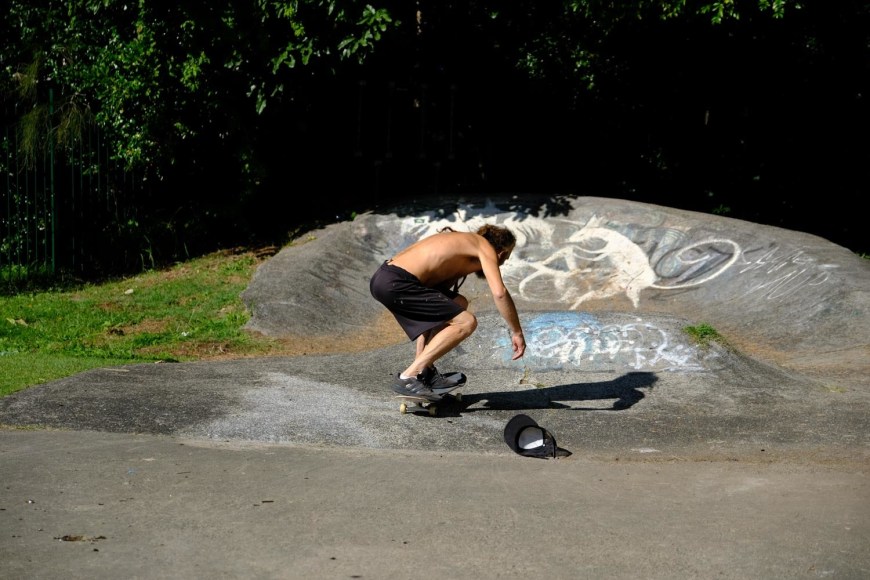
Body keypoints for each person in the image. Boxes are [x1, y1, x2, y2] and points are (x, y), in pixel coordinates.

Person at [369, 223, 526, 400]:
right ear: (501, 253)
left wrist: (423, 365)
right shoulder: (483, 245)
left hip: (384, 278)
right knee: (466, 322)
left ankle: (423, 373)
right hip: (395, 281)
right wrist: (517, 332)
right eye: (506, 258)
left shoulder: (459, 248)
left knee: (458, 303)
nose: (502, 263)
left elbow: (431, 318)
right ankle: (408, 378)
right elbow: (500, 293)